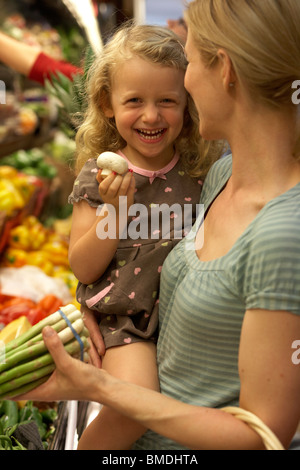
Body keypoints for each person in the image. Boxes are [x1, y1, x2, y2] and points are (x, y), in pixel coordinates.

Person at [12, 0, 300, 450]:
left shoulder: (261, 216)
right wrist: (99, 300)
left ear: (222, 70)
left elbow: (264, 432)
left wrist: (100, 383)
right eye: (135, 101)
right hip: (130, 346)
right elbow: (108, 263)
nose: (154, 112)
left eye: (191, 56)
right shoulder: (222, 177)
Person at [66, 22, 222, 450]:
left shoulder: (200, 173)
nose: (151, 115)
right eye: (134, 100)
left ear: (187, 103)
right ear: (108, 103)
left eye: (167, 101)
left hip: (186, 320)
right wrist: (115, 211)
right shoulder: (97, 177)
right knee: (135, 407)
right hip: (128, 325)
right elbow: (82, 266)